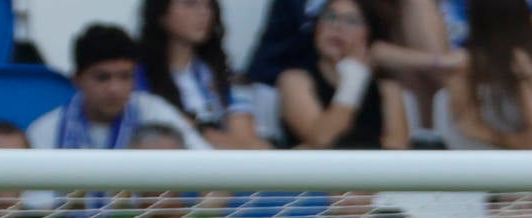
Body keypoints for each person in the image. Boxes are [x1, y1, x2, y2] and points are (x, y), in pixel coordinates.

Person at [29, 23, 208, 151]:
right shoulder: (46, 130)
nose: (114, 88)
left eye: (124, 76)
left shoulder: (155, 112)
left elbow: (210, 170)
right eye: (102, 78)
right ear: (77, 79)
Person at [276, 0, 408, 149]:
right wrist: (353, 80)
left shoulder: (387, 88)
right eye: (330, 17)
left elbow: (397, 148)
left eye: (352, 21)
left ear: (370, 33)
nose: (337, 27)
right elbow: (322, 139)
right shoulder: (294, 80)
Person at [137, 0, 264, 148]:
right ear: (160, 12)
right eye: (190, 3)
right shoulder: (135, 76)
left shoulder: (226, 77)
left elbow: (247, 145)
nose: (204, 12)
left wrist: (196, 129)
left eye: (209, 5)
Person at [445, 0, 532, 150]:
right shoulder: (464, 68)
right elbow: (466, 126)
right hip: (483, 158)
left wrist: (487, 133)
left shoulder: (527, 63)